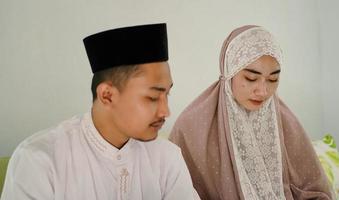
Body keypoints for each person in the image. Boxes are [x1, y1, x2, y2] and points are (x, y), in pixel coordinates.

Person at [1, 23, 199, 200]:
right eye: (153, 97)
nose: (166, 111)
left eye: (168, 95)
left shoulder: (167, 157)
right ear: (107, 95)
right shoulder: (39, 160)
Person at [169, 25, 334, 199]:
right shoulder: (191, 127)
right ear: (229, 71)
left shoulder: (286, 123)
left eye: (273, 79)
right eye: (251, 78)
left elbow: (315, 188)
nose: (263, 91)